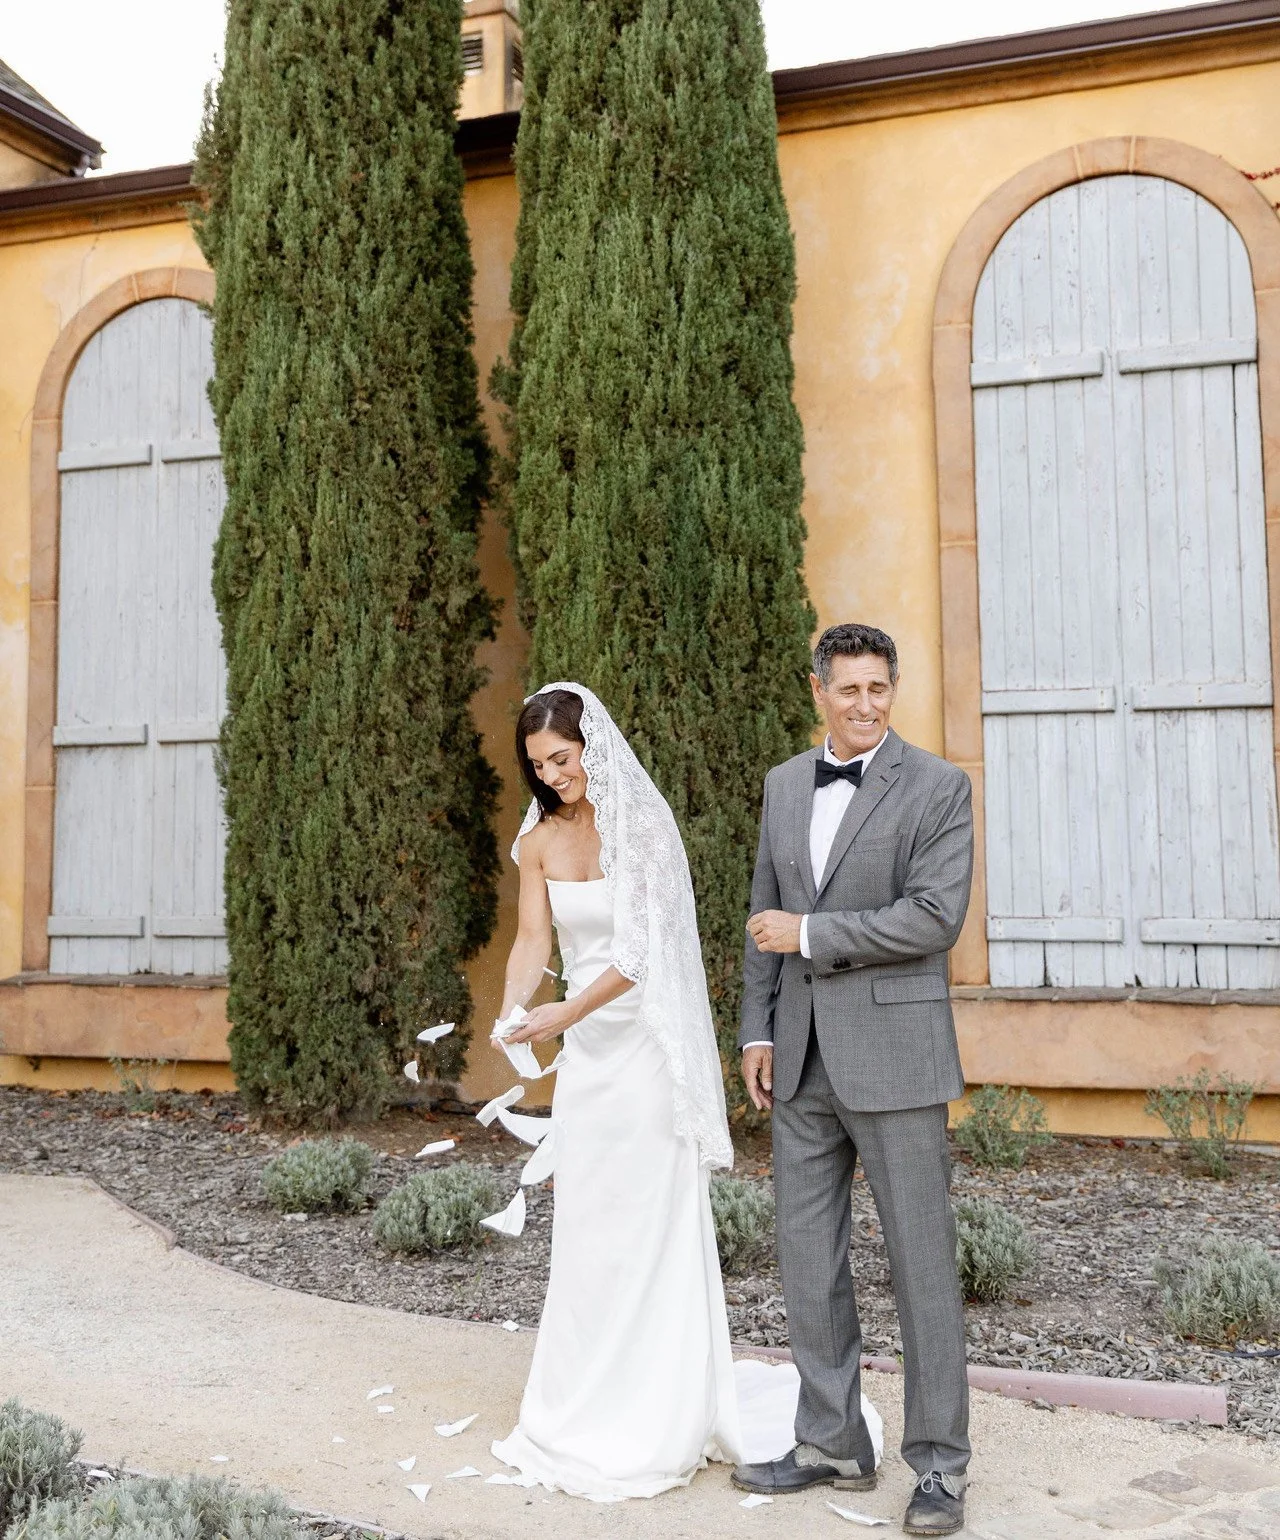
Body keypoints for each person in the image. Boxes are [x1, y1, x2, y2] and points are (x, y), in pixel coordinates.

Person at [487, 680, 881, 1500]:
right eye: (539, 765)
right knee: (593, 1225)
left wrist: (567, 1007)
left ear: (592, 746)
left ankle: (659, 1409)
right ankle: (582, 1406)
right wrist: (514, 1006)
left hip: (644, 1049)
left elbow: (640, 955)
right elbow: (532, 938)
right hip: (590, 1061)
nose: (554, 775)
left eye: (563, 758)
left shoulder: (647, 830)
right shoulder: (538, 840)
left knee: (650, 1223)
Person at [733, 623, 974, 1538]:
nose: (866, 705)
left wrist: (815, 935)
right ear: (818, 691)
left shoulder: (940, 787)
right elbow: (764, 906)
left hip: (900, 1061)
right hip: (797, 1062)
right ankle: (830, 1438)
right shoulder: (785, 785)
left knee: (921, 1267)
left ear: (892, 688)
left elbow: (933, 917)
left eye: (880, 688)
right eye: (849, 690)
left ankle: (941, 1468)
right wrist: (757, 1029)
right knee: (807, 1261)